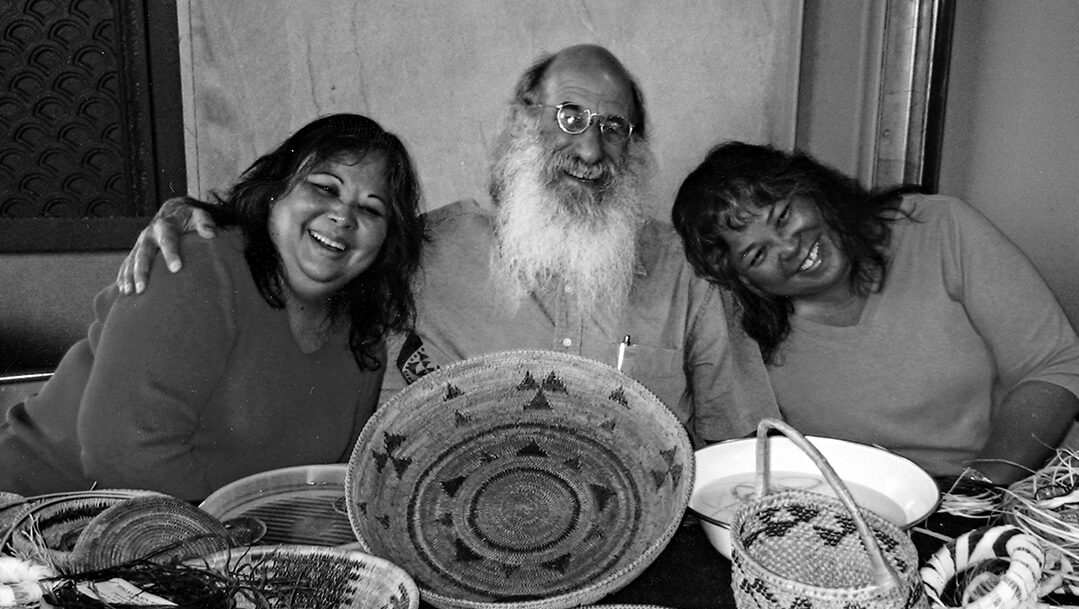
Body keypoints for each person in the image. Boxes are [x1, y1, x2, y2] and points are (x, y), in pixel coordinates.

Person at [116, 44, 779, 448]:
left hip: (640, 560)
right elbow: (304, 259)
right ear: (522, 124)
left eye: (614, 127)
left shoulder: (687, 274)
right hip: (443, 552)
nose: (589, 147)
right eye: (568, 117)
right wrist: (208, 223)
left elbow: (742, 446)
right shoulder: (419, 249)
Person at [0, 113, 425, 500]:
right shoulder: (198, 263)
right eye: (325, 188)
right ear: (274, 193)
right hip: (35, 520)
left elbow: (327, 483)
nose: (344, 216)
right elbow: (121, 449)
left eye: (372, 209)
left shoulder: (363, 340)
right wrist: (239, 546)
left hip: (199, 554)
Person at [671, 140, 1079, 488]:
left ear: (812, 191)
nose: (788, 247)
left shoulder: (939, 229)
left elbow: (1054, 365)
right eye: (757, 253)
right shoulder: (747, 339)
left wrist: (977, 493)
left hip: (1034, 490)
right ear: (744, 280)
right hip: (885, 522)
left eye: (783, 216)